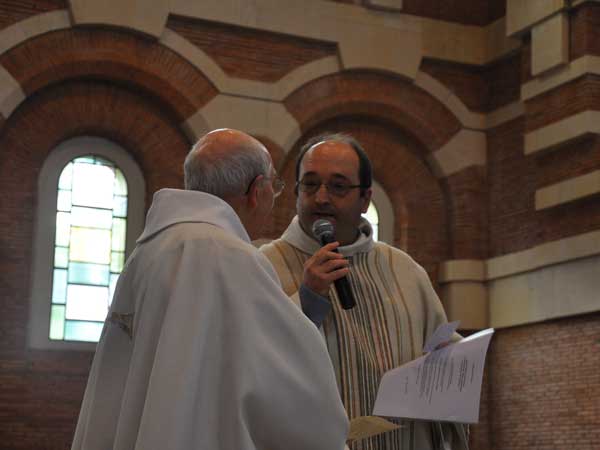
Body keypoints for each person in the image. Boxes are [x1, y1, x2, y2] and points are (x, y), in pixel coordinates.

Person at [71, 129, 349, 450]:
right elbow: (289, 392)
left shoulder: (147, 252)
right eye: (274, 186)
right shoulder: (232, 258)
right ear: (256, 190)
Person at [260, 133, 469, 450]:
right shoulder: (264, 266)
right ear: (296, 192)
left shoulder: (405, 271)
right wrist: (305, 301)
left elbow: (444, 353)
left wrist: (453, 365)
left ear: (365, 198)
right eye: (310, 184)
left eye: (338, 186)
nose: (321, 198)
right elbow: (248, 364)